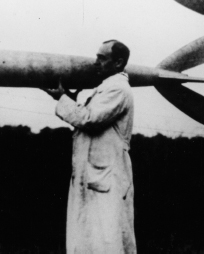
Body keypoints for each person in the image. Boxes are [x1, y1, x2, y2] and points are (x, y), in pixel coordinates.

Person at [42, 40, 136, 253]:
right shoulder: (107, 88)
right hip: (96, 179)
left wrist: (62, 98)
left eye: (102, 58)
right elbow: (88, 120)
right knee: (90, 241)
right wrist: (71, 100)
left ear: (119, 62)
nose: (96, 63)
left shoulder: (118, 89)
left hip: (107, 181)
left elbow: (89, 120)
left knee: (107, 241)